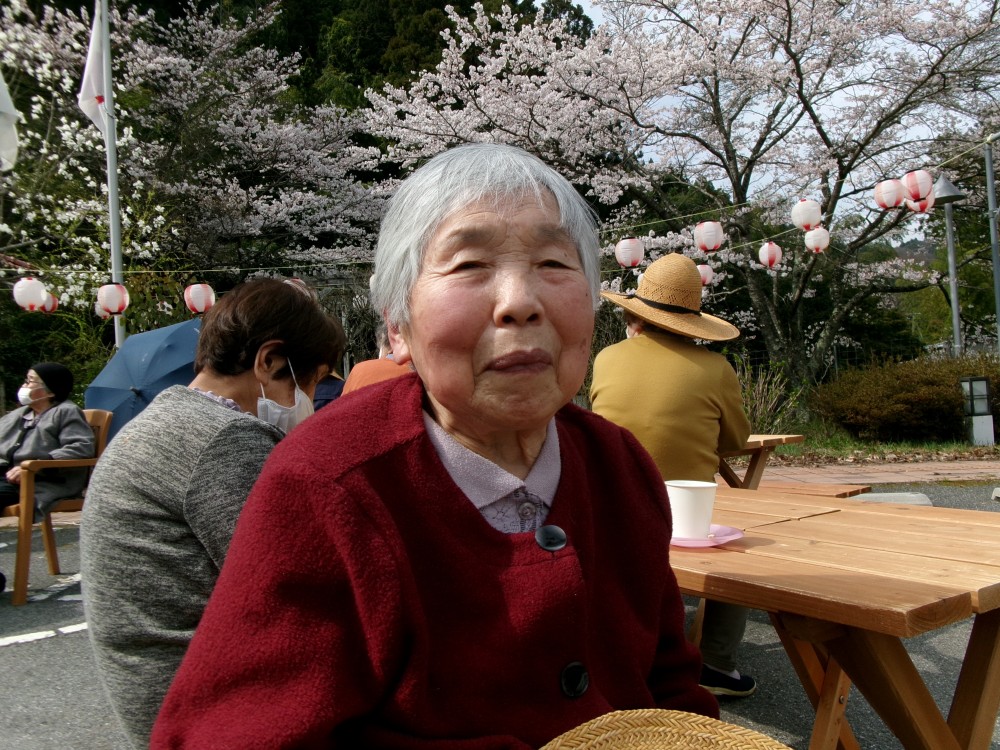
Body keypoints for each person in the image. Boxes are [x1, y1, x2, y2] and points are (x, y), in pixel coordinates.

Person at [151, 143, 718, 748]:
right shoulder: (327, 482)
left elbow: (669, 682)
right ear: (397, 326)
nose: (520, 302)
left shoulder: (619, 463)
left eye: (554, 262)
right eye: (470, 265)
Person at [81, 278, 345, 749]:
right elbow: (302, 580)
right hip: (205, 705)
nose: (308, 398)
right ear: (268, 360)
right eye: (309, 380)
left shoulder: (165, 420)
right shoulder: (225, 439)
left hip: (153, 688)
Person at [589, 252, 755, 698]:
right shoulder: (717, 369)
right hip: (683, 514)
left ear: (634, 315)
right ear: (693, 322)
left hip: (610, 504)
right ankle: (716, 663)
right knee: (737, 554)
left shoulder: (606, 358)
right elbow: (736, 442)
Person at [0, 362, 95, 593]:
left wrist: (35, 465)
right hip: (8, 477)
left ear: (50, 391)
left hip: (42, 482)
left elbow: (81, 448)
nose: (24, 386)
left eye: (30, 381)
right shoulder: (18, 415)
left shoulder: (66, 411)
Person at [340, 322, 411, 395]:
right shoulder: (420, 375)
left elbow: (341, 405)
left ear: (393, 342)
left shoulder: (361, 371)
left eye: (379, 347)